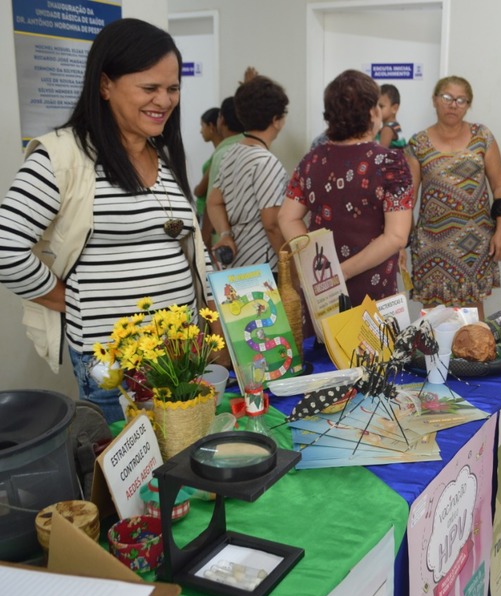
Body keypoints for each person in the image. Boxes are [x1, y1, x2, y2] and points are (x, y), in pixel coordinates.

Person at [0, 19, 220, 422]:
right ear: (105, 85)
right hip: (117, 367)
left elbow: (184, 246)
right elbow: (5, 249)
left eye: (172, 89)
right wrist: (69, 300)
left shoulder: (164, 156)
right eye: (149, 88)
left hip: (180, 357)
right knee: (133, 476)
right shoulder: (64, 156)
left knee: (183, 467)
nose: (165, 100)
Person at [278, 69, 413, 306]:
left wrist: (317, 266)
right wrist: (343, 273)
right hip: (372, 292)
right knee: (371, 344)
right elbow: (396, 236)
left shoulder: (311, 160)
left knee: (321, 343)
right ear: (373, 111)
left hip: (322, 289)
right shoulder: (390, 163)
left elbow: (287, 217)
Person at [407, 75, 501, 320]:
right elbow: (407, 199)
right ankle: (435, 360)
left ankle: (474, 359)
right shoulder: (418, 143)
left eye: (461, 100)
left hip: (474, 243)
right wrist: (402, 243)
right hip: (431, 245)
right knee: (434, 321)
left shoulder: (482, 136)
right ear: (434, 100)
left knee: (472, 320)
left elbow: (500, 186)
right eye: (447, 97)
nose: (454, 104)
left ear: (468, 105)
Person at [206, 75, 289, 270]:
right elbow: (272, 225)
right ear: (276, 120)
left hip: (236, 263)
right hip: (265, 266)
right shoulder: (266, 162)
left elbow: (213, 201)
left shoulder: (232, 153)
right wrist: (290, 270)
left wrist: (225, 234)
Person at [193, 107, 222, 248]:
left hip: (209, 216)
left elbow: (200, 190)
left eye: (202, 125)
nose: (200, 130)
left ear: (211, 126)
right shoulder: (217, 153)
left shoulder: (219, 155)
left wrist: (197, 189)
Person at [376, 83, 406, 149]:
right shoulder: (394, 125)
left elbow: (380, 152)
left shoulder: (388, 129)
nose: (377, 109)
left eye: (381, 106)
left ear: (394, 108)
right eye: (375, 106)